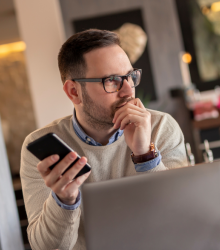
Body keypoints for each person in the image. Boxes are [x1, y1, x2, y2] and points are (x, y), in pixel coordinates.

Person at [20, 29, 188, 250]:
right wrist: (64, 201)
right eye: (112, 81)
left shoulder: (161, 128)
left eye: (130, 76)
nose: (129, 90)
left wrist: (145, 155)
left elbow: (183, 220)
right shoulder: (44, 151)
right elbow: (47, 248)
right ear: (74, 92)